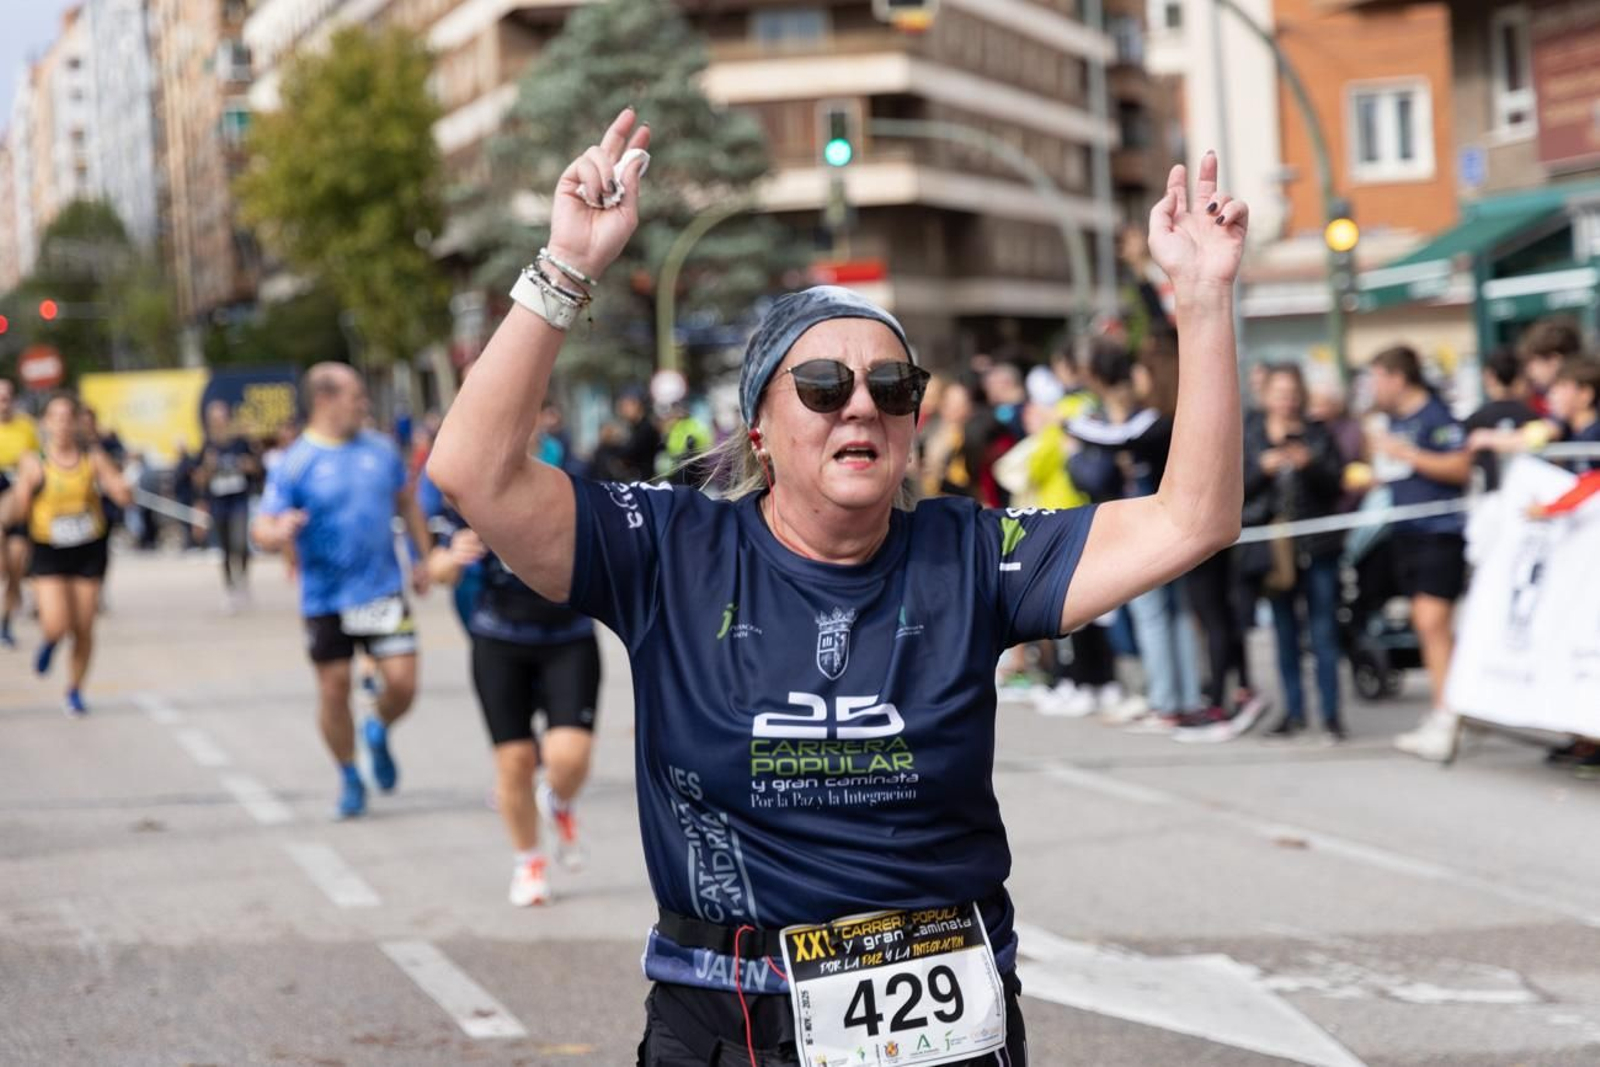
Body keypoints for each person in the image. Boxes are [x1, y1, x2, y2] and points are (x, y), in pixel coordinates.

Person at [427, 109, 1247, 1064]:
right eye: (821, 384)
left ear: (907, 427)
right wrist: (566, 267)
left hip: (943, 1023)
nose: (861, 401)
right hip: (727, 1016)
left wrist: (1200, 300)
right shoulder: (671, 548)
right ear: (761, 429)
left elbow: (1195, 517)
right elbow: (473, 472)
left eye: (892, 386)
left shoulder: (969, 551)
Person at [251, 364, 432, 819]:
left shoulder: (382, 449)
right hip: (326, 598)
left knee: (404, 685)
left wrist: (422, 558)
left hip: (381, 590)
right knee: (334, 689)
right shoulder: (296, 460)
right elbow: (263, 527)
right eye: (356, 396)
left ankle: (378, 726)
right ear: (326, 400)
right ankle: (350, 774)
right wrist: (279, 532)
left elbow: (406, 503)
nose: (364, 404)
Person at [426, 482, 601, 906]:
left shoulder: (567, 478)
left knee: (568, 757)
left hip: (568, 636)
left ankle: (558, 800)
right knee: (515, 760)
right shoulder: (474, 483)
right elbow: (437, 570)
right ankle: (529, 862)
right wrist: (454, 556)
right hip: (498, 638)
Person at [1366, 345, 1472, 762]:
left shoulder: (1435, 415)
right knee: (1425, 625)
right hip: (1406, 531)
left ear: (1397, 377)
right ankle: (1444, 710)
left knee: (1433, 623)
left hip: (1439, 533)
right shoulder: (1392, 420)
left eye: (1377, 377)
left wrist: (1407, 455)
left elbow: (1460, 467)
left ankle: (1449, 716)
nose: (1373, 387)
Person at [3, 392, 131, 714]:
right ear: (46, 423)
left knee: (84, 627)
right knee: (57, 623)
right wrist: (16, 502)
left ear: (76, 422)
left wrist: (122, 490)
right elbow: (17, 506)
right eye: (55, 418)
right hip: (49, 550)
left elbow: (117, 487)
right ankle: (49, 642)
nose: (61, 425)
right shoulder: (36, 462)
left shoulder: (92, 458)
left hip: (87, 549)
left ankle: (74, 689)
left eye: (67, 417)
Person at [1244, 364, 1346, 741]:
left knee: (1323, 631)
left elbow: (1336, 485)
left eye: (1292, 391)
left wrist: (1311, 465)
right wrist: (1262, 469)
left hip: (1317, 547)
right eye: (1279, 391)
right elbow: (1235, 488)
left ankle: (1331, 713)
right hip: (1273, 550)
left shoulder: (1318, 434)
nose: (1286, 399)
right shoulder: (1251, 434)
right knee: (1284, 631)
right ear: (1267, 395)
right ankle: (1294, 710)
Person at [195, 400, 261, 611]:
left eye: (222, 417)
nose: (219, 422)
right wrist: (208, 466)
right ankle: (229, 588)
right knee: (223, 548)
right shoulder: (207, 445)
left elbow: (257, 467)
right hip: (218, 503)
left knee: (239, 543)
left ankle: (242, 580)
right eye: (214, 419)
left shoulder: (240, 442)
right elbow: (199, 479)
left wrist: (245, 464)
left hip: (238, 500)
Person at [1462, 346, 1538, 491]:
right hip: (1528, 499)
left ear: (1489, 376)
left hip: (1492, 498)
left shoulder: (1476, 420)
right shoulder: (1532, 416)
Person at [0, 378, 40, 647]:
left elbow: (35, 462)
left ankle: (6, 623)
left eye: (7, 397)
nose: (4, 403)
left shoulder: (25, 426)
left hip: (20, 494)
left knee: (15, 566)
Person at [1518, 319, 1582, 417]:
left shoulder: (1576, 400)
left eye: (1532, 361)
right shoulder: (1539, 395)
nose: (1528, 370)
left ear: (1555, 360)